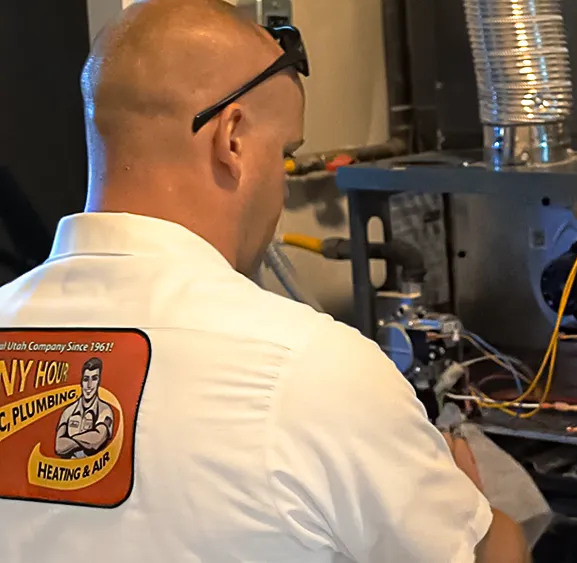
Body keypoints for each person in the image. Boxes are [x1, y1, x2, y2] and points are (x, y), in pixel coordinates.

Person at [0, 1, 527, 562]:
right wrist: (472, 513)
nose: (282, 187)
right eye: (284, 154)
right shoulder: (312, 369)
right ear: (231, 139)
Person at [55, 357, 115, 459]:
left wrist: (70, 440)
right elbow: (59, 446)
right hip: (67, 470)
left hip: (94, 472)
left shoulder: (105, 410)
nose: (89, 385)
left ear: (99, 382)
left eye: (94, 379)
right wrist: (85, 440)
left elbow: (97, 439)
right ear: (81, 382)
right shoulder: (68, 411)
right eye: (86, 379)